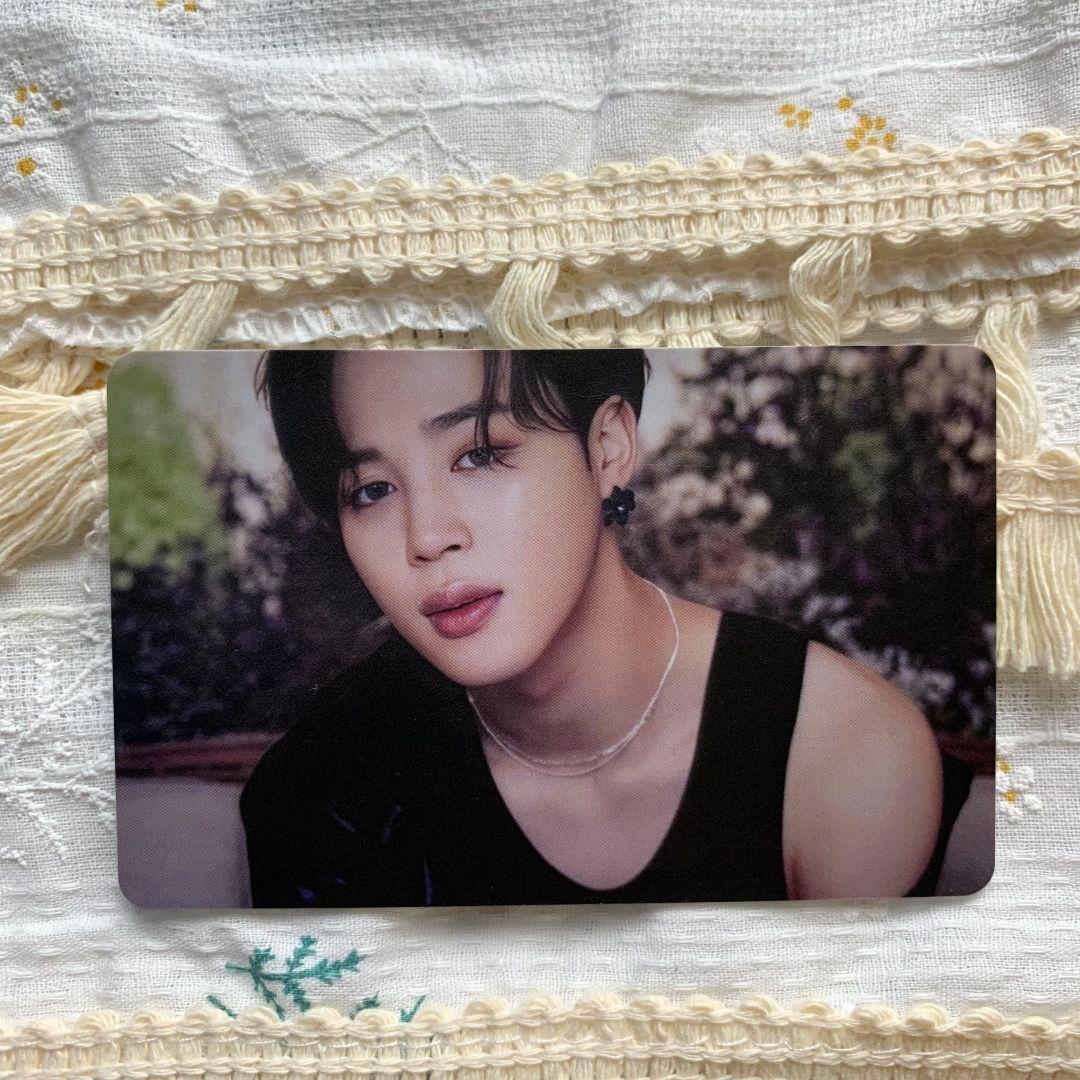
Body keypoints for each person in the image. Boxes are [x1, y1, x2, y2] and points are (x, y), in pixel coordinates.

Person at [239, 347, 948, 906]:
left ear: (607, 448)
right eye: (372, 490)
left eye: (480, 453)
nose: (428, 537)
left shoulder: (842, 753)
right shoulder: (320, 793)